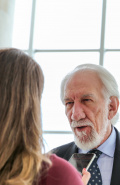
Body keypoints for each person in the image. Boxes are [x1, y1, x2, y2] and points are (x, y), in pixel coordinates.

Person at [0, 48, 90, 185]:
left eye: (86, 100)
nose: (75, 114)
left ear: (112, 107)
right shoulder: (55, 173)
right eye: (69, 103)